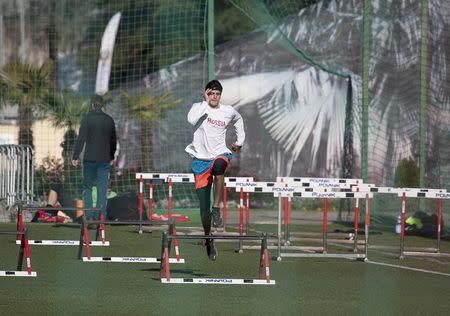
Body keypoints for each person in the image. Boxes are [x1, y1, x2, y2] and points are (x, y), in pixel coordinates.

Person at [185, 79, 245, 260]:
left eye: (217, 94)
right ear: (206, 94)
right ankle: (209, 239)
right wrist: (204, 103)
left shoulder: (228, 111)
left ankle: (217, 207)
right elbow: (190, 120)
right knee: (203, 208)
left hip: (220, 153)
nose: (214, 97)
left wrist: (239, 141)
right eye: (211, 93)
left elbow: (239, 120)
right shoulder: (198, 107)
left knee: (220, 167)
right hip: (200, 159)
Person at [72, 95, 117, 220]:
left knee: (87, 187)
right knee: (102, 189)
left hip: (90, 159)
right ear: (102, 105)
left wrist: (75, 155)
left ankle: (89, 216)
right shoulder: (109, 120)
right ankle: (101, 216)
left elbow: (81, 138)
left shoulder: (87, 118)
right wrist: (112, 155)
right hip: (104, 160)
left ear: (91, 105)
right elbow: (113, 140)